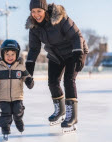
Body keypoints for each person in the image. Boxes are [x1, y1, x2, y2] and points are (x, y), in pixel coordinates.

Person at [25, 0, 88, 130]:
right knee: (52, 82)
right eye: (33, 11)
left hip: (74, 51)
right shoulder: (33, 27)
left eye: (39, 11)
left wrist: (79, 54)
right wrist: (29, 71)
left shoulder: (60, 17)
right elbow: (34, 49)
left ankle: (72, 115)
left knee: (69, 80)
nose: (36, 15)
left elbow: (77, 36)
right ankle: (60, 111)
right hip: (56, 54)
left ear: (45, 10)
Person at [0, 39, 34, 139]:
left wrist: (29, 81)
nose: (10, 57)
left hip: (17, 96)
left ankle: (18, 120)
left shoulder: (21, 67)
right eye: (7, 54)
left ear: (17, 54)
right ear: (3, 54)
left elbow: (27, 76)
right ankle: (5, 129)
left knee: (18, 111)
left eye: (12, 54)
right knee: (5, 113)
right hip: (3, 97)